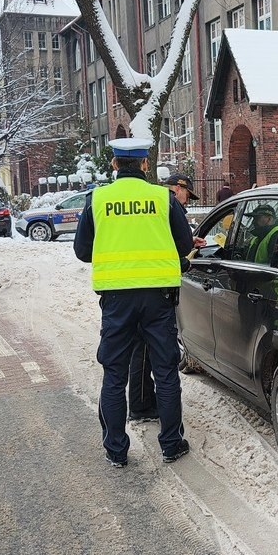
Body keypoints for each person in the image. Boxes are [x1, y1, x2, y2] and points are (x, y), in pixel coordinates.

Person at [73, 138, 195, 468]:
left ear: (114, 164)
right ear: (144, 165)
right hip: (158, 298)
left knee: (114, 374)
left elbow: (82, 251)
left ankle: (116, 450)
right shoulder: (162, 198)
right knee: (166, 372)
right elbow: (184, 244)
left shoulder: (97, 199)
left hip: (116, 300)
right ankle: (171, 443)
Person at [128, 173, 206, 422]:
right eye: (186, 195)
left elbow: (151, 242)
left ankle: (140, 406)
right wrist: (185, 260)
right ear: (176, 189)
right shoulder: (167, 203)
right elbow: (176, 251)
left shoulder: (148, 204)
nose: (187, 202)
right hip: (157, 290)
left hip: (129, 288)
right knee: (164, 360)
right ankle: (170, 432)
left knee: (140, 351)